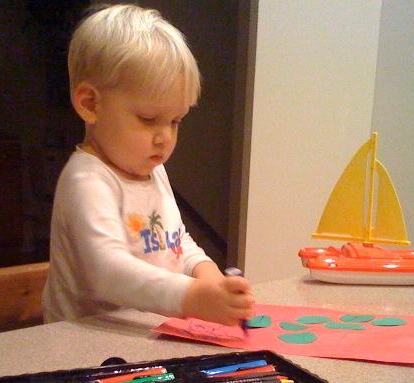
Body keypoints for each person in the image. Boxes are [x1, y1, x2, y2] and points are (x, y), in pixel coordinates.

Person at [41, 3, 254, 326]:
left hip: (147, 337)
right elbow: (107, 272)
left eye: (175, 121)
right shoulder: (87, 180)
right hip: (82, 346)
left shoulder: (153, 171)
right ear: (90, 104)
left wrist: (208, 277)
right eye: (148, 118)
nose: (165, 137)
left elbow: (176, 242)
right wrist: (191, 297)